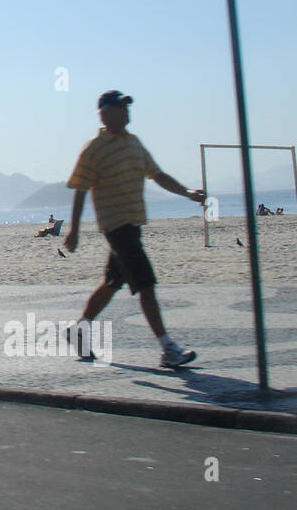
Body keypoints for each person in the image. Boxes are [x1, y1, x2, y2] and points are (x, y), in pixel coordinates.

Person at [64, 91, 205, 368]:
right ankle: (168, 349)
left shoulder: (135, 143)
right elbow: (80, 190)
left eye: (127, 108)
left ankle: (78, 330)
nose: (126, 112)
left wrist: (187, 193)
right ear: (105, 113)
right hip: (116, 227)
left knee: (112, 283)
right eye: (120, 108)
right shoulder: (94, 149)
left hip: (134, 224)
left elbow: (158, 175)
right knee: (146, 284)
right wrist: (74, 231)